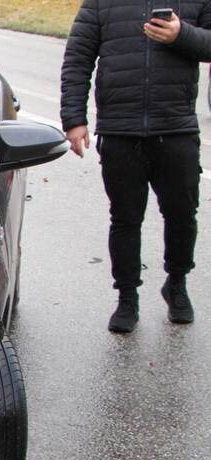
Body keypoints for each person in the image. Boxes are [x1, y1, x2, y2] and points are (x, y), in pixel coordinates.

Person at [61, 2, 211, 333]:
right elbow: (77, 59)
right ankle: (127, 298)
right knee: (126, 219)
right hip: (120, 131)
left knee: (182, 215)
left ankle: (177, 283)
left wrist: (180, 34)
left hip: (176, 128)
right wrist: (74, 120)